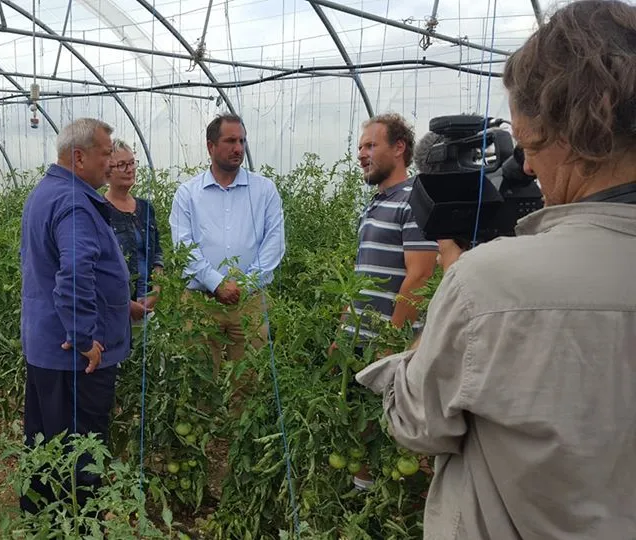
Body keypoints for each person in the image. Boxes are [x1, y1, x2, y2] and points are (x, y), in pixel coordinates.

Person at [355, 1, 636, 538]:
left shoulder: (489, 283)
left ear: (571, 133)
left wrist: (458, 281)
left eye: (530, 146)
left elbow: (416, 421)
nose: (526, 167)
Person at [18, 118, 130, 513]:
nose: (112, 161)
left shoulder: (47, 192)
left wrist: (121, 304)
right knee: (82, 452)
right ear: (79, 157)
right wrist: (85, 338)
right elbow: (75, 273)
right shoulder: (73, 201)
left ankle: (41, 520)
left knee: (45, 443)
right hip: (75, 357)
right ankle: (80, 525)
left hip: (47, 346)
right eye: (105, 153)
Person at [331, 113, 439, 490]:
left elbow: (421, 274)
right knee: (360, 424)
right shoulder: (377, 202)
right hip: (360, 336)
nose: (361, 153)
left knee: (391, 430)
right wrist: (343, 328)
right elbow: (362, 274)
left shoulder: (413, 200)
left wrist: (391, 340)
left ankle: (391, 508)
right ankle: (365, 501)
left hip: (386, 340)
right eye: (360, 146)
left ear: (399, 148)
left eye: (370, 145)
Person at [169, 113, 285, 399]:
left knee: (249, 377)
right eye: (230, 141)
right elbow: (183, 246)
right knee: (199, 374)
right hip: (201, 301)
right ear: (210, 147)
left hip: (250, 302)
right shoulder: (188, 193)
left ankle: (241, 438)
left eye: (242, 141)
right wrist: (216, 283)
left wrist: (244, 284)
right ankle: (202, 435)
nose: (238, 148)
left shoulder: (264, 190)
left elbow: (274, 243)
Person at [104, 139, 163, 322]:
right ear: (107, 171)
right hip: (114, 309)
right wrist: (126, 305)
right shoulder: (99, 210)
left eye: (131, 163)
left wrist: (156, 290)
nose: (130, 169)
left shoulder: (145, 208)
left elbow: (157, 255)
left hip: (147, 306)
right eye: (122, 165)